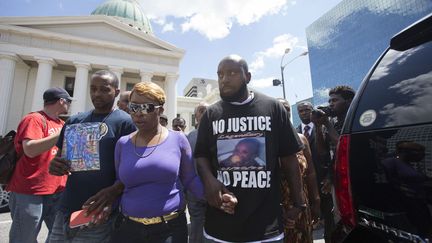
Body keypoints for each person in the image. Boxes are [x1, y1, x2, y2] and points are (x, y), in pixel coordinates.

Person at [195, 55, 306, 242]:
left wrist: (298, 202)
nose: (225, 79)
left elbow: (289, 158)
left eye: (232, 73)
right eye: (220, 74)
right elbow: (201, 155)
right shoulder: (211, 115)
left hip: (265, 227)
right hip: (221, 225)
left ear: (248, 77)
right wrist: (210, 182)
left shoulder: (273, 108)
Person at [109, 81, 204, 243]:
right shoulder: (122, 144)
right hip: (128, 229)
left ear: (160, 109)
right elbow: (120, 181)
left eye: (146, 107)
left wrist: (216, 198)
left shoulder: (178, 139)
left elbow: (190, 179)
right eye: (133, 107)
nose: (138, 113)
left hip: (170, 230)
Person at [48, 70, 136, 242]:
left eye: (104, 89)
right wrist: (55, 165)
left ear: (116, 92)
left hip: (99, 212)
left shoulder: (126, 123)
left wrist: (113, 192)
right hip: (66, 209)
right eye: (93, 89)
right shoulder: (74, 121)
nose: (97, 94)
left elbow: (134, 169)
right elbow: (59, 158)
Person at [7, 87, 72, 243]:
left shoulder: (60, 122)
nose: (69, 105)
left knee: (59, 235)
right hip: (30, 189)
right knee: (25, 236)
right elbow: (29, 149)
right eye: (68, 101)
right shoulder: (34, 119)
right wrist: (61, 133)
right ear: (61, 101)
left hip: (56, 189)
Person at [311, 85, 354, 242]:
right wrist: (317, 126)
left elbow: (344, 146)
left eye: (335, 100)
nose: (330, 104)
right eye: (329, 101)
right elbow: (322, 151)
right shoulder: (332, 121)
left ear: (349, 101)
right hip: (338, 179)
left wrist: (327, 124)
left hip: (354, 178)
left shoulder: (354, 118)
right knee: (339, 221)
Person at [278, 98, 320, 243]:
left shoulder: (302, 139)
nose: (284, 111)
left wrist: (316, 200)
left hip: (302, 202)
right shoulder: (268, 140)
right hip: (281, 207)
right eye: (279, 108)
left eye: (287, 108)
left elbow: (311, 172)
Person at [296, 101, 333, 239]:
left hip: (324, 181)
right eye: (301, 111)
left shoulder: (323, 128)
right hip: (307, 184)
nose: (304, 113)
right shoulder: (295, 132)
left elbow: (331, 156)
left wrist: (330, 177)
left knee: (329, 218)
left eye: (307, 110)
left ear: (312, 111)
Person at [186, 102, 208, 243]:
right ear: (196, 116)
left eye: (207, 110)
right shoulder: (188, 138)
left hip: (214, 191)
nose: (205, 112)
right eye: (201, 110)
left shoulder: (218, 135)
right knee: (197, 226)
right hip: (194, 193)